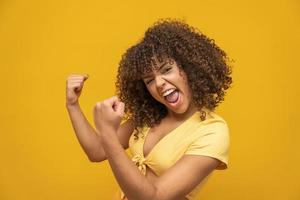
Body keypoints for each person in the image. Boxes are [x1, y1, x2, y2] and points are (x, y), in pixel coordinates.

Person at [66, 18, 232, 200]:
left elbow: (154, 196)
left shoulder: (212, 131)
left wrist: (108, 132)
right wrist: (73, 105)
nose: (159, 83)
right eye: (149, 80)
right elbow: (97, 151)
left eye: (167, 69)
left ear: (190, 67)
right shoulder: (150, 116)